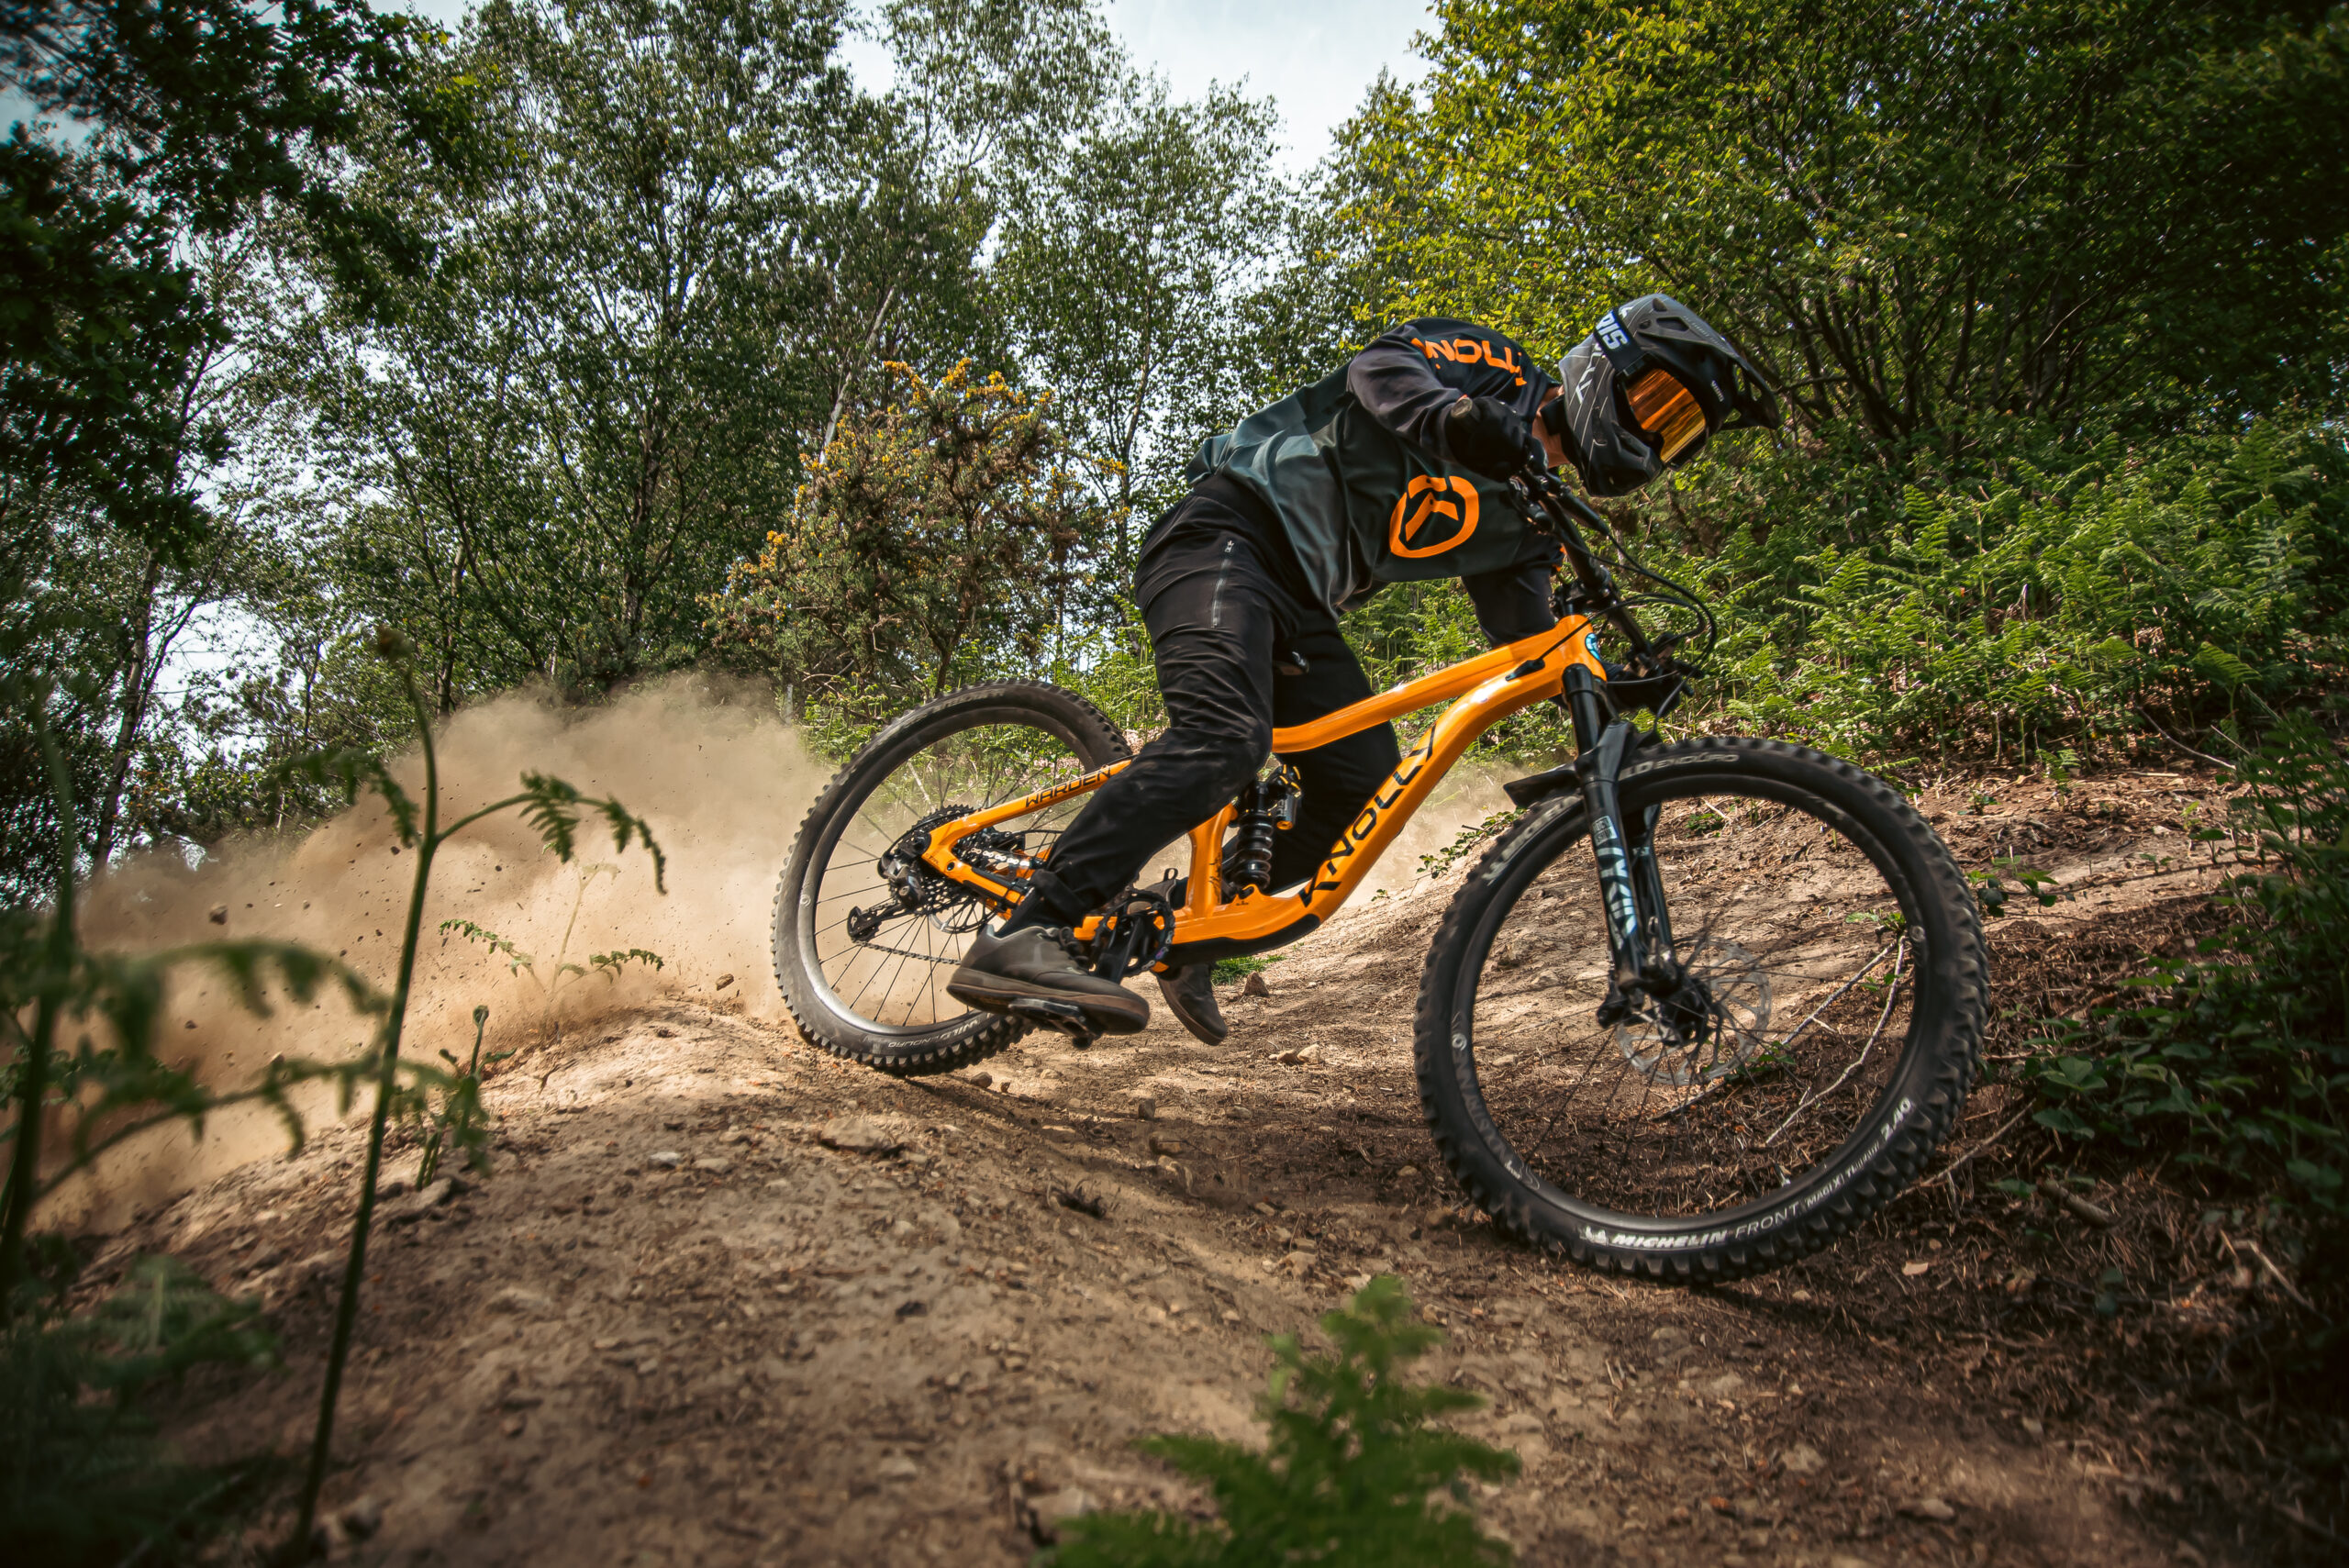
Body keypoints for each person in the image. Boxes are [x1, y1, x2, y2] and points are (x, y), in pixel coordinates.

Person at [948, 295, 1778, 1042]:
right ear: (1605, 367)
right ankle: (1028, 929)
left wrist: (1612, 687)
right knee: (1227, 738)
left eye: (1676, 433)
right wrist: (1458, 417)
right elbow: (1380, 368)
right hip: (1228, 532)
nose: (1654, 437)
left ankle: (1178, 926)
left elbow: (1529, 633)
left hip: (1301, 604)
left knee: (1359, 783)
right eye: (1656, 404)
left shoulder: (1532, 517)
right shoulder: (1499, 372)